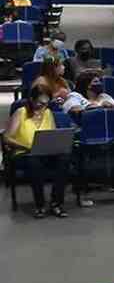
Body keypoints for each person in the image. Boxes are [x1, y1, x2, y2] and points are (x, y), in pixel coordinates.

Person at [3, 85, 69, 218]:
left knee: (64, 159)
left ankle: (56, 203)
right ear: (31, 99)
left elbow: (52, 135)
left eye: (46, 103)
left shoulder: (48, 112)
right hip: (24, 152)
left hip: (45, 152)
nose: (42, 106)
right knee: (34, 162)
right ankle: (40, 205)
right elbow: (7, 137)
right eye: (40, 102)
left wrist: (55, 145)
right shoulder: (21, 113)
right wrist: (26, 147)